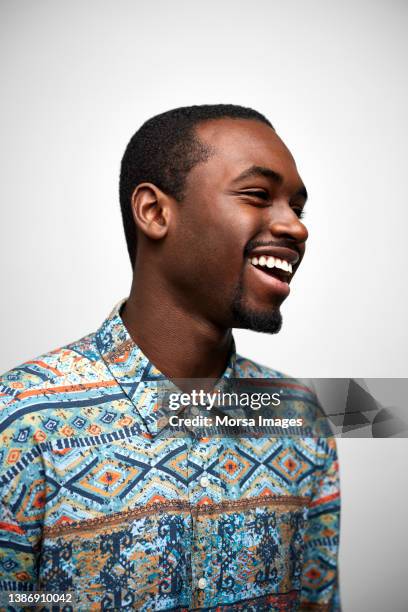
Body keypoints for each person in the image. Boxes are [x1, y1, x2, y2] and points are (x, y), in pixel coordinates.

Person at [0, 105, 340, 611]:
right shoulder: (21, 419)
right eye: (258, 195)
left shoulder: (300, 416)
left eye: (297, 207)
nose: (295, 227)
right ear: (155, 213)